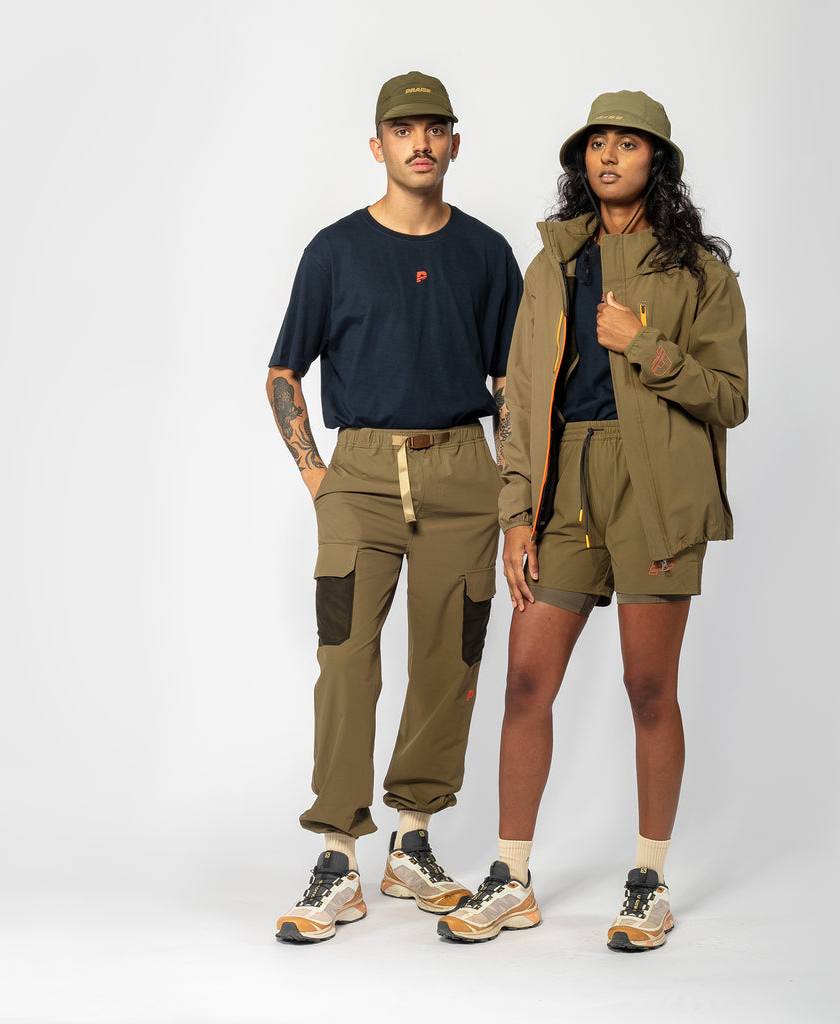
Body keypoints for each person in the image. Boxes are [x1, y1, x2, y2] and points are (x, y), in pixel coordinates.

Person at [437, 91, 747, 951]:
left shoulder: (700, 274)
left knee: (648, 688)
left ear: (659, 163)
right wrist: (516, 514)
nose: (609, 157)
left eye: (629, 145)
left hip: (657, 488)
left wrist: (643, 345)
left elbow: (730, 397)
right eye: (597, 144)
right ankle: (511, 877)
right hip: (563, 483)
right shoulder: (553, 264)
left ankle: (648, 881)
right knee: (524, 682)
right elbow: (519, 396)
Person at [266, 71, 522, 944]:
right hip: (362, 476)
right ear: (377, 145)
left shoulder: (486, 252)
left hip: (464, 472)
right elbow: (283, 371)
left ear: (455, 142)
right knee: (346, 660)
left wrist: (512, 489)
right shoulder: (334, 250)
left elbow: (508, 383)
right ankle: (337, 853)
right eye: (403, 129)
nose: (421, 142)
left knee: (450, 660)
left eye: (435, 127)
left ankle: (412, 841)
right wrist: (318, 475)